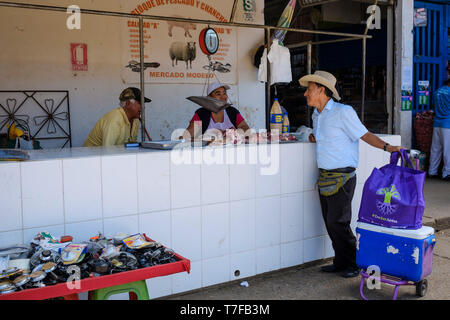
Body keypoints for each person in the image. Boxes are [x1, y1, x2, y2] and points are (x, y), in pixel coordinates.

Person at [299, 70, 405, 278]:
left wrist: (387, 147)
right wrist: (315, 138)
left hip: (342, 177)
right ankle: (340, 262)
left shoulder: (343, 112)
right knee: (330, 221)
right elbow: (327, 137)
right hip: (325, 176)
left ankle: (353, 264)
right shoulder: (316, 115)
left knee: (338, 222)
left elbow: (364, 134)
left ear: (321, 90)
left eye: (309, 90)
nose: (305, 94)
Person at [83, 87, 151, 147]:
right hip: (92, 159)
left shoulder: (135, 120)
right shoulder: (115, 119)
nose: (143, 107)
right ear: (128, 104)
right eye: (140, 103)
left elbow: (131, 147)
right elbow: (108, 152)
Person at [184, 82, 250, 139]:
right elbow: (187, 136)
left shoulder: (232, 112)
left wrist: (232, 132)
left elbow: (245, 129)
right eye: (218, 94)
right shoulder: (202, 114)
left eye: (224, 93)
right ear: (209, 98)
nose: (223, 97)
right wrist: (209, 137)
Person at [428, 78, 450, 181]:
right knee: (447, 150)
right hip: (448, 124)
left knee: (436, 149)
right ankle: (447, 173)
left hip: (437, 123)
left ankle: (432, 171)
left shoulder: (437, 92)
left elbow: (433, 106)